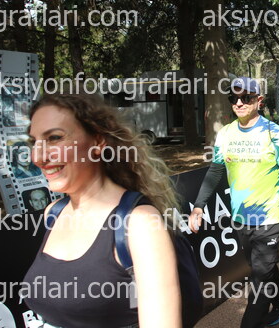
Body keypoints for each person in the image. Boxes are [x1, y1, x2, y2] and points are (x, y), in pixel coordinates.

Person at [22, 94, 181, 327]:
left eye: (54, 138)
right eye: (34, 142)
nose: (38, 157)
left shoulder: (140, 224)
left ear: (97, 142)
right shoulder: (53, 214)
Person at [189, 77, 279, 328]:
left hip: (269, 217)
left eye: (246, 98)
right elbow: (215, 171)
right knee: (262, 268)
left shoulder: (275, 133)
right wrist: (198, 206)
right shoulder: (226, 133)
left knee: (260, 281)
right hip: (241, 217)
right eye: (234, 98)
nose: (239, 103)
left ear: (259, 100)